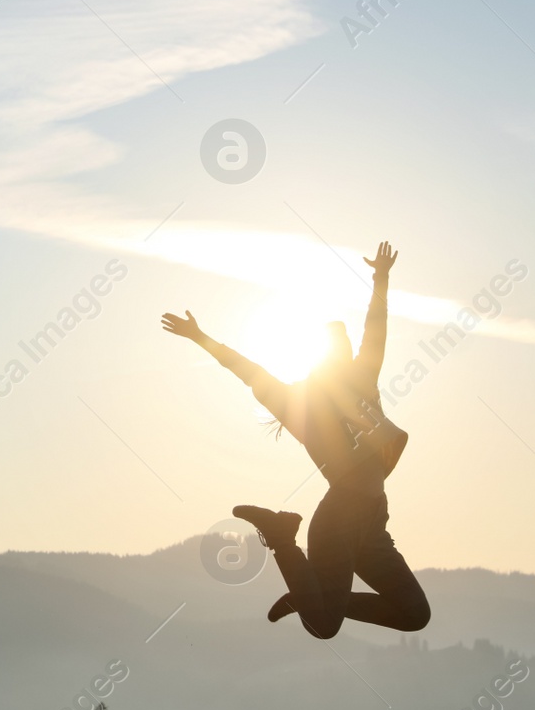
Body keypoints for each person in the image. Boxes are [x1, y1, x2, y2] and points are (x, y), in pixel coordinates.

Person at [161, 241, 429, 639]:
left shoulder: (363, 383)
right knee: (324, 626)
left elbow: (376, 327)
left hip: (373, 521)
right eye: (339, 351)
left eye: (347, 349)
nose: (350, 354)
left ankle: (309, 595)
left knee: (413, 614)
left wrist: (381, 277)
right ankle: (283, 540)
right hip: (339, 519)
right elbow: (247, 370)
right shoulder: (296, 404)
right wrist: (200, 338)